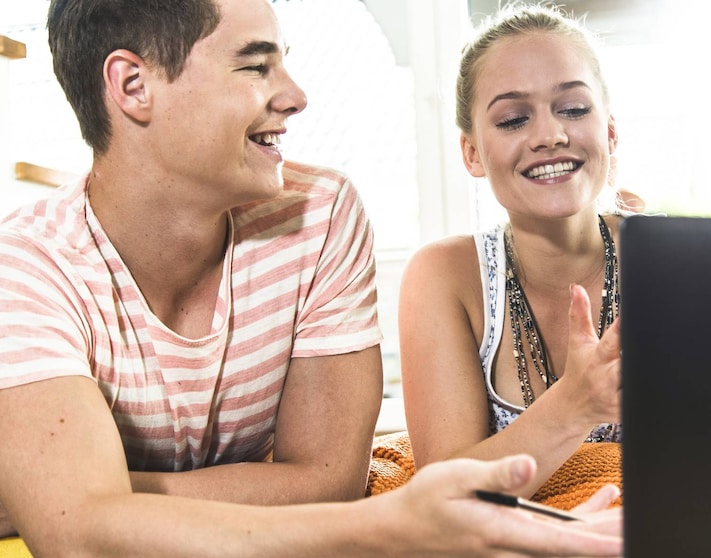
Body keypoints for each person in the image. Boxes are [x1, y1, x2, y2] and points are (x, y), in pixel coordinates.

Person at [0, 0, 623, 556]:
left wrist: (99, 493)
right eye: (255, 66)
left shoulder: (319, 213)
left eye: (572, 107)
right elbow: (75, 537)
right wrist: (384, 527)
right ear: (133, 85)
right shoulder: (25, 265)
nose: (296, 96)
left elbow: (329, 481)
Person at [399, 2, 625, 501]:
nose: (550, 135)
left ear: (609, 130)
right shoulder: (445, 277)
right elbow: (444, 495)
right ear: (472, 153)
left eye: (573, 108)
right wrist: (574, 404)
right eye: (512, 119)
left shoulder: (668, 260)